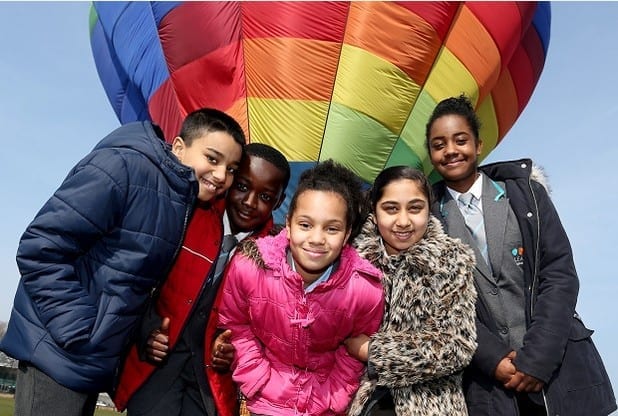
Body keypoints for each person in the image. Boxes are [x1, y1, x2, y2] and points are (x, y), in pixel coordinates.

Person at [0, 108, 245, 416]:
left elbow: (130, 281)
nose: (222, 175)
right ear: (179, 147)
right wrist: (79, 329)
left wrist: (143, 330)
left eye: (232, 168)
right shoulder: (123, 167)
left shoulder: (178, 200)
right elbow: (40, 247)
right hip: (58, 352)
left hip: (91, 358)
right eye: (212, 158)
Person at [426, 95, 616, 416]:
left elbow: (559, 274)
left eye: (461, 140)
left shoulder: (526, 195)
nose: (451, 151)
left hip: (559, 372)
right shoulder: (426, 221)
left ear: (479, 144)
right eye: (439, 144)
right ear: (430, 154)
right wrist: (493, 359)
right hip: (488, 387)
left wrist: (539, 357)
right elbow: (439, 304)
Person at [113, 143, 291, 416]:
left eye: (266, 197)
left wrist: (234, 351)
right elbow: (141, 281)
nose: (249, 202)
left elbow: (270, 327)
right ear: (229, 179)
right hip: (157, 369)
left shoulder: (277, 257)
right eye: (242, 186)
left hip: (211, 385)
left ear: (279, 202)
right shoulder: (187, 216)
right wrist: (147, 329)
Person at [218, 160, 385, 415]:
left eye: (332, 229)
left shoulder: (365, 290)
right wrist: (258, 378)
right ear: (288, 223)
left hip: (326, 407)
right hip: (265, 401)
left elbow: (355, 351)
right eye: (305, 225)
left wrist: (335, 396)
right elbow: (236, 324)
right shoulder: (249, 267)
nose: (316, 239)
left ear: (348, 233)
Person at [344, 166, 478, 416]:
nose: (403, 221)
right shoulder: (350, 261)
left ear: (429, 208)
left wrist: (373, 352)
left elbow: (457, 345)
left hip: (433, 407)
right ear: (374, 209)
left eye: (415, 208)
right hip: (358, 405)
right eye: (391, 208)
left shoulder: (450, 259)